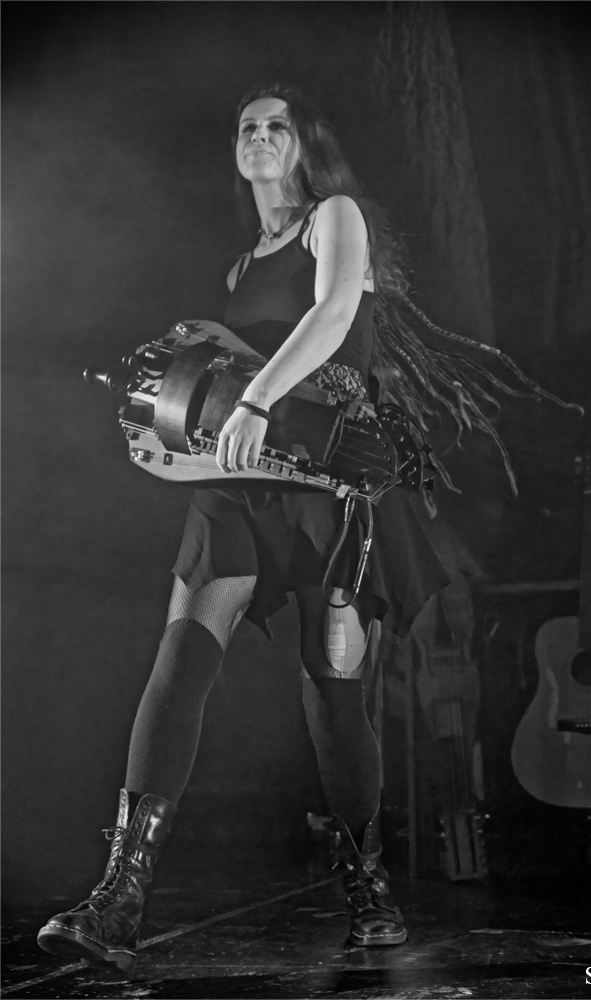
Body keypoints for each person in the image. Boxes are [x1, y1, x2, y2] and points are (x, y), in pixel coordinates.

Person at [36, 84, 453, 970]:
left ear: (305, 144)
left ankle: (367, 885)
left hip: (330, 486)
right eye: (246, 128)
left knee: (332, 689)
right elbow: (217, 373)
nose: (259, 136)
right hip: (236, 485)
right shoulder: (238, 267)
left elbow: (332, 316)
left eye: (276, 126)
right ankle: (120, 898)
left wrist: (258, 400)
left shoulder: (333, 219)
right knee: (180, 659)